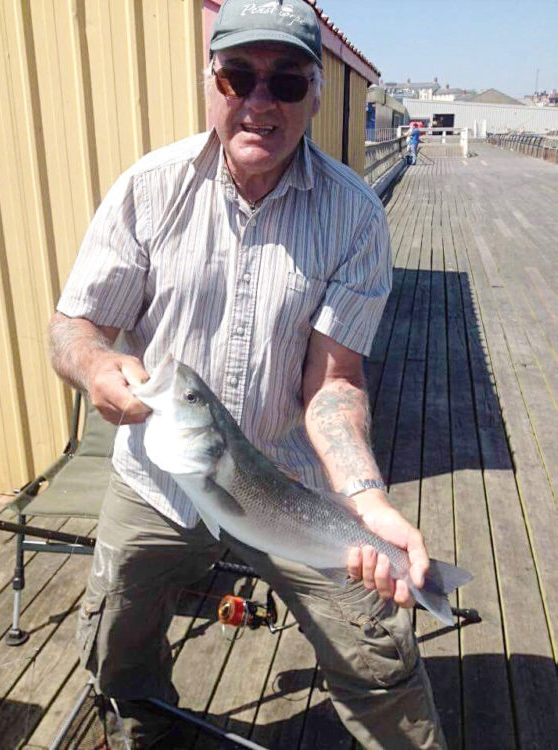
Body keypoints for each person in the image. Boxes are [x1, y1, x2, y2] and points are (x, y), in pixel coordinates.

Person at [49, 0, 445, 747]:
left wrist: (364, 497)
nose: (259, 103)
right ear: (211, 84)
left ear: (316, 94)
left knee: (378, 654)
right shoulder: (148, 188)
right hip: (156, 482)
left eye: (286, 82)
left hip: (288, 485)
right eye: (238, 77)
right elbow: (73, 324)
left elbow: (334, 379)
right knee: (114, 648)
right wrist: (97, 365)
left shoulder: (355, 215)